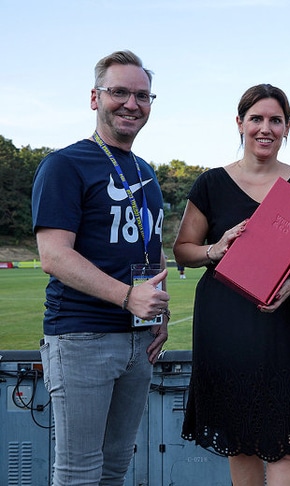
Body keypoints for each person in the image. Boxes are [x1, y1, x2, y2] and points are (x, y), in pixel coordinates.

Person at [173, 83, 290, 486]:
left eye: (275, 120)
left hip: (280, 320)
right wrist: (215, 249)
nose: (266, 128)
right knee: (237, 438)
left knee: (284, 440)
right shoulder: (210, 183)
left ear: (288, 127)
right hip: (223, 322)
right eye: (256, 119)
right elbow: (183, 251)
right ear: (240, 123)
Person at [31, 50, 170, 486]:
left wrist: (159, 312)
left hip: (137, 342)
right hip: (82, 338)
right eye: (120, 92)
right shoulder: (64, 164)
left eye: (142, 95)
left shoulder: (145, 170)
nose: (132, 103)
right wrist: (129, 296)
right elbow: (53, 255)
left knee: (114, 469)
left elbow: (153, 247)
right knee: (78, 473)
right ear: (95, 98)